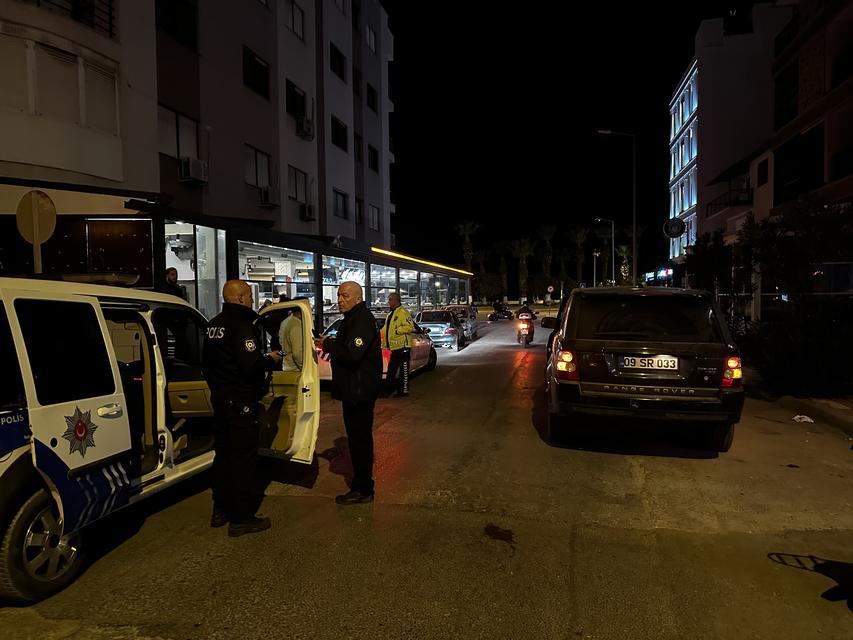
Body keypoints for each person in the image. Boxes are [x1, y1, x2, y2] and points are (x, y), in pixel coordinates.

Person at [202, 279, 282, 536]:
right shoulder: (243, 325)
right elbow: (250, 365)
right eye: (248, 295)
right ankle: (242, 517)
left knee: (223, 457)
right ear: (240, 298)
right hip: (241, 404)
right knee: (243, 460)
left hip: (221, 401)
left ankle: (220, 509)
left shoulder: (213, 326)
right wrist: (268, 360)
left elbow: (206, 364)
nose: (251, 299)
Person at [314, 281, 382, 505]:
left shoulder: (361, 319)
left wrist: (329, 345)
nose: (340, 300)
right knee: (356, 440)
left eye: (344, 296)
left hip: (359, 392)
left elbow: (353, 353)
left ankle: (363, 489)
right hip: (354, 391)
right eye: (339, 296)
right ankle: (361, 486)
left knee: (360, 441)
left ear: (358, 298)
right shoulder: (352, 319)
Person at [383, 292, 414, 397]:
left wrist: (397, 331)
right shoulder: (391, 314)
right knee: (391, 371)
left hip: (403, 346)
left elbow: (409, 327)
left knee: (403, 370)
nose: (388, 302)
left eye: (390, 299)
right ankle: (388, 390)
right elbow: (386, 330)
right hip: (395, 347)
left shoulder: (403, 312)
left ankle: (403, 391)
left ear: (396, 300)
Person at [278, 305, 304, 371]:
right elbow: (298, 353)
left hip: (287, 364)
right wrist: (303, 367)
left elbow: (281, 342)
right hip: (295, 368)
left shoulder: (285, 321)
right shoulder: (297, 325)